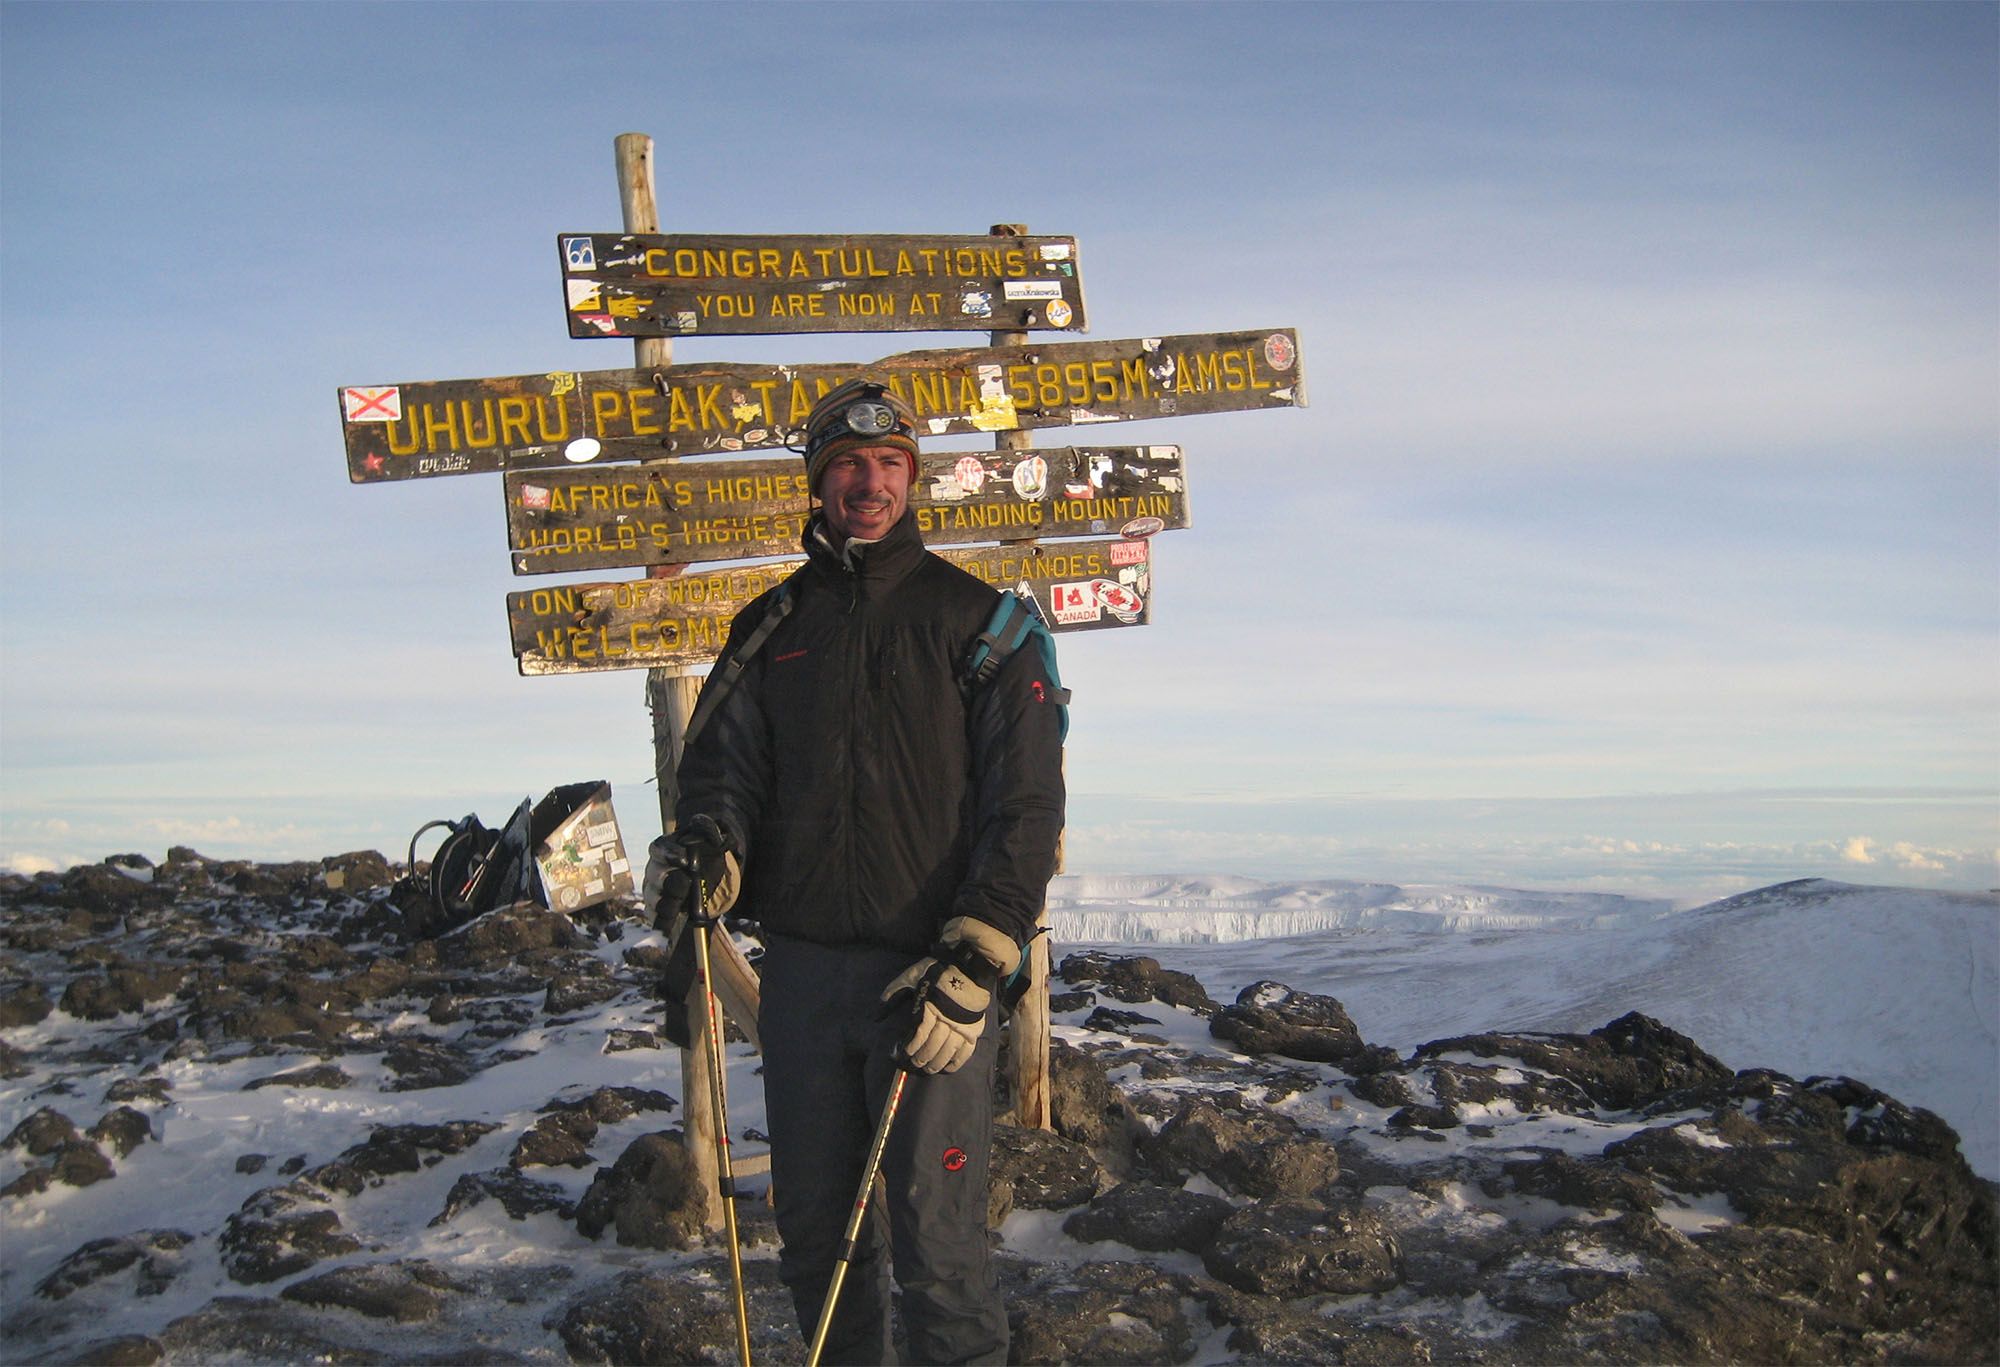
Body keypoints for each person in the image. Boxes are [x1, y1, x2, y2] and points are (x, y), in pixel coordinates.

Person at [645, 379, 1067, 1366]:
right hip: (801, 980)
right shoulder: (772, 627)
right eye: (846, 464)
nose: (867, 483)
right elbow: (722, 771)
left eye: (887, 465)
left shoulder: (983, 626)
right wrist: (710, 850)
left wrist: (980, 956)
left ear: (910, 479)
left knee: (939, 1243)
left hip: (930, 981)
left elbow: (1025, 807)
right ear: (817, 481)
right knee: (818, 1239)